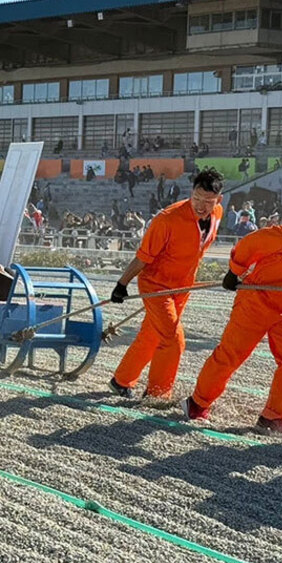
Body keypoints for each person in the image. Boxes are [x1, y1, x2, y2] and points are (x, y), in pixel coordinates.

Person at [182, 219, 282, 434]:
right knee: (230, 355)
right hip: (256, 301)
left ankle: (273, 418)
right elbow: (252, 242)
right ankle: (196, 405)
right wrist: (234, 271)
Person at [108, 170, 224, 399]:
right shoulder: (167, 219)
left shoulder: (217, 214)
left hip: (182, 288)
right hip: (156, 286)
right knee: (173, 340)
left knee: (151, 336)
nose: (201, 206)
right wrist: (122, 284)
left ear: (218, 200)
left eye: (208, 201)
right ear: (191, 192)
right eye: (196, 198)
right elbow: (143, 256)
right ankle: (157, 394)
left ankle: (121, 381)